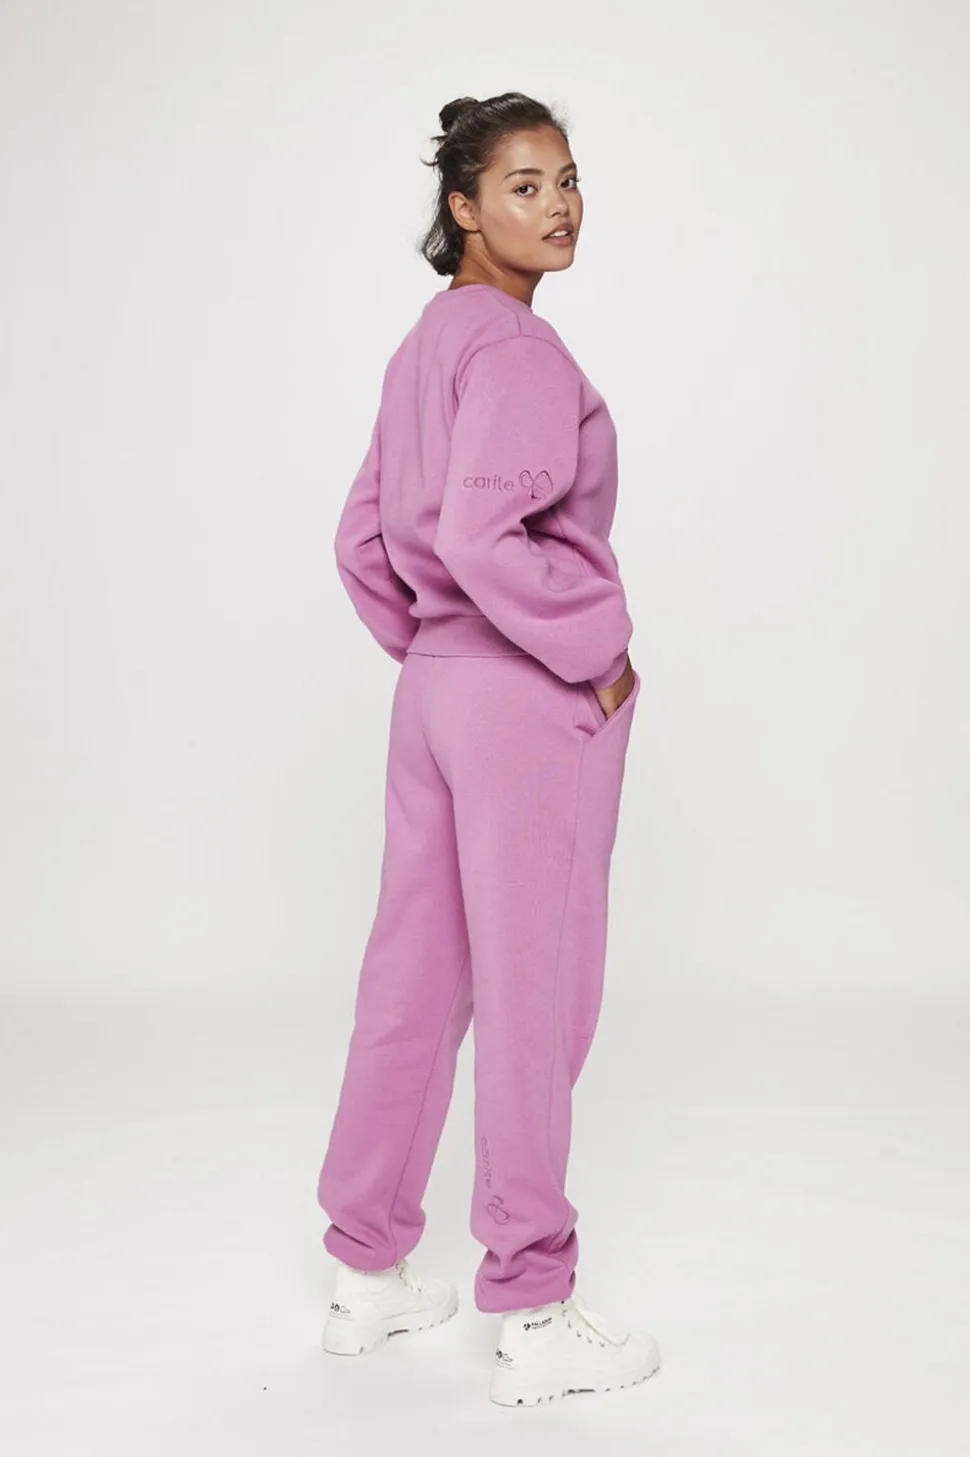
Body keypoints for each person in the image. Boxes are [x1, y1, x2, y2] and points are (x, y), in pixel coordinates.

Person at [316, 91, 660, 1408]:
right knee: (534, 991)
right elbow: (477, 533)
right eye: (523, 185)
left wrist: (434, 650)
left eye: (567, 180)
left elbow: (364, 538)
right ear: (463, 207)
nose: (557, 206)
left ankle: (366, 1272)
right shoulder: (516, 350)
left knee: (413, 979)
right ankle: (534, 1306)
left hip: (437, 696)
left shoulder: (425, 346)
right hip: (523, 700)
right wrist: (593, 647)